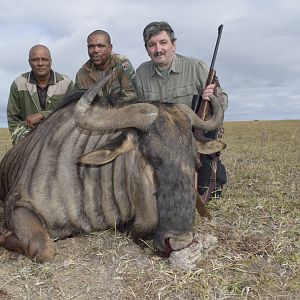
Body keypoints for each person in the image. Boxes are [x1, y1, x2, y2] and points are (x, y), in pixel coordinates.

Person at [136, 21, 228, 200]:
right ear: (147, 49)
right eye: (152, 44)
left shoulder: (196, 67)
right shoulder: (140, 74)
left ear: (173, 44)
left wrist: (214, 97)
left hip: (192, 139)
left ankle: (213, 172)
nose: (158, 49)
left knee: (207, 190)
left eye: (163, 42)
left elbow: (223, 101)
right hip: (159, 142)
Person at [7, 44, 73, 145]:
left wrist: (43, 115)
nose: (40, 63)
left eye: (44, 59)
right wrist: (22, 142)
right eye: (35, 60)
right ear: (29, 62)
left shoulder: (66, 83)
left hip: (60, 139)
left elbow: (72, 112)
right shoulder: (18, 83)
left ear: (51, 61)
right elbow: (13, 119)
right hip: (28, 140)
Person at [74, 30, 138, 104]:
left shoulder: (122, 64)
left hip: (120, 111)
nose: (95, 50)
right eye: (91, 46)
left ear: (110, 48)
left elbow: (130, 96)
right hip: (93, 114)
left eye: (100, 46)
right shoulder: (81, 74)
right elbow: (78, 103)